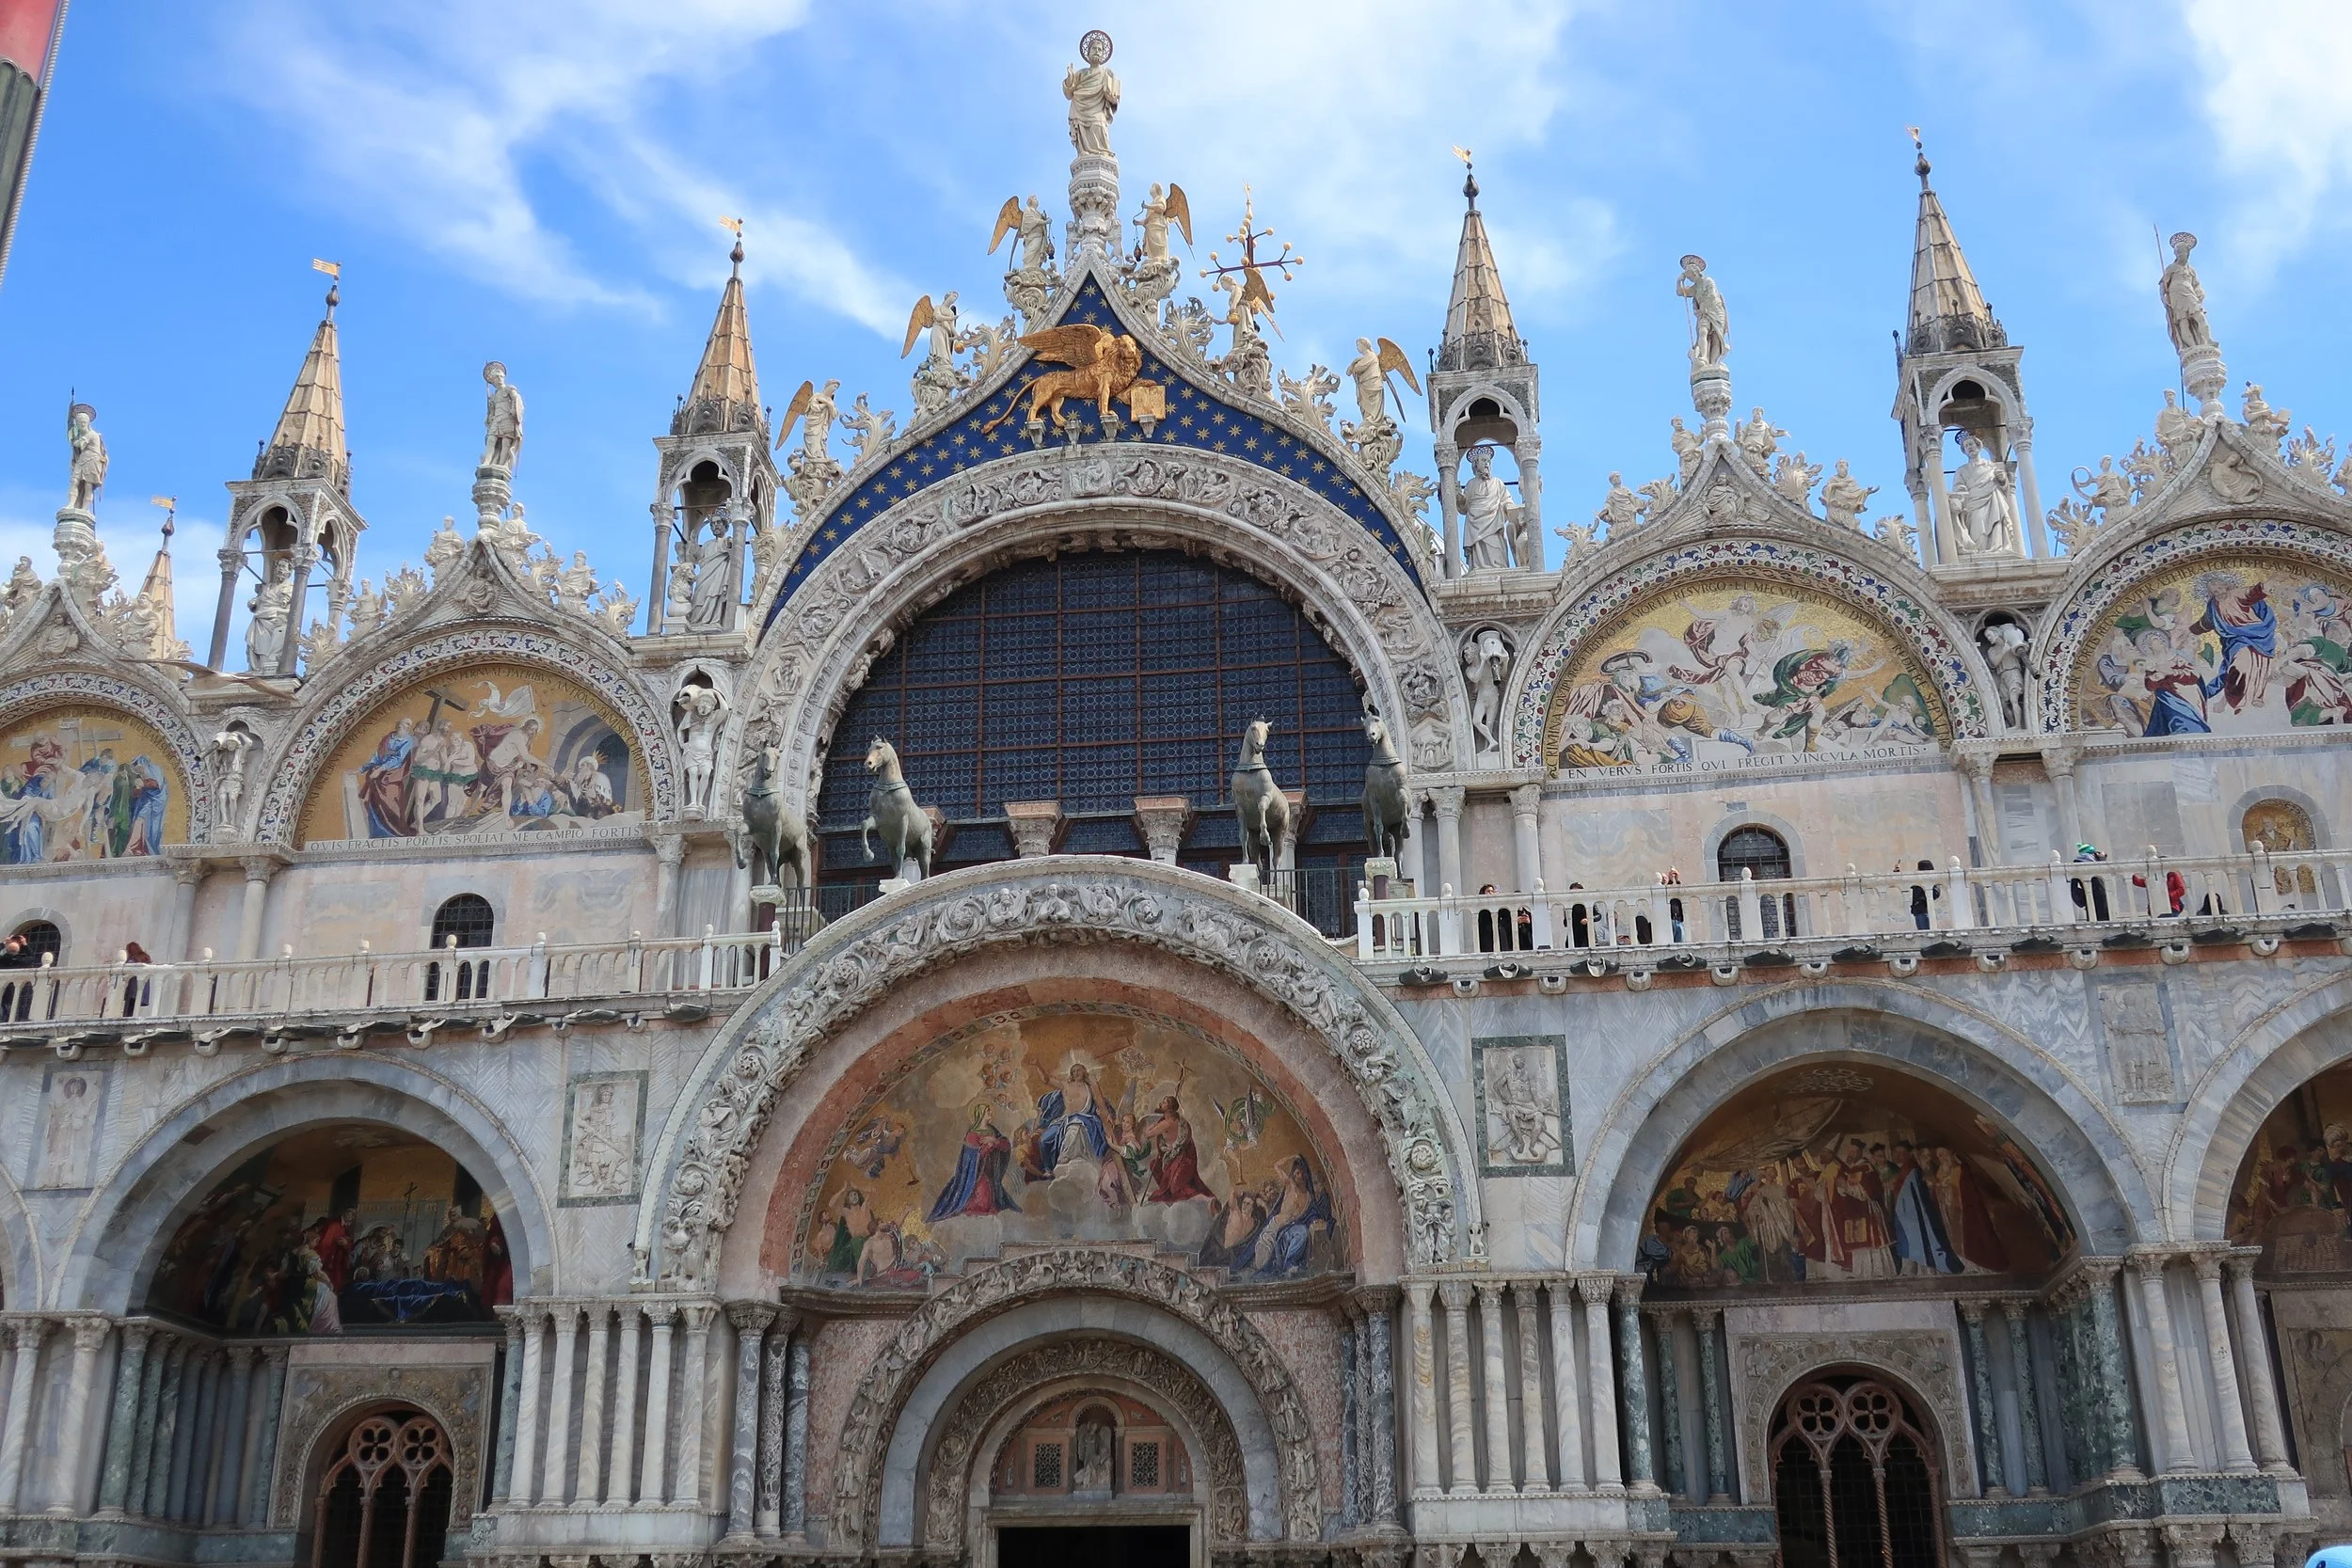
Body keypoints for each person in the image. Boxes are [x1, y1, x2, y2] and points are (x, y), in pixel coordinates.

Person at [2071, 845, 2112, 921]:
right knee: (2103, 919)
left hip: (2089, 899)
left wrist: (2081, 901)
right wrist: (2102, 858)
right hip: (2100, 897)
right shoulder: (2092, 862)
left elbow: (2074, 888)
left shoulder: (2077, 864)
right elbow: (2102, 870)